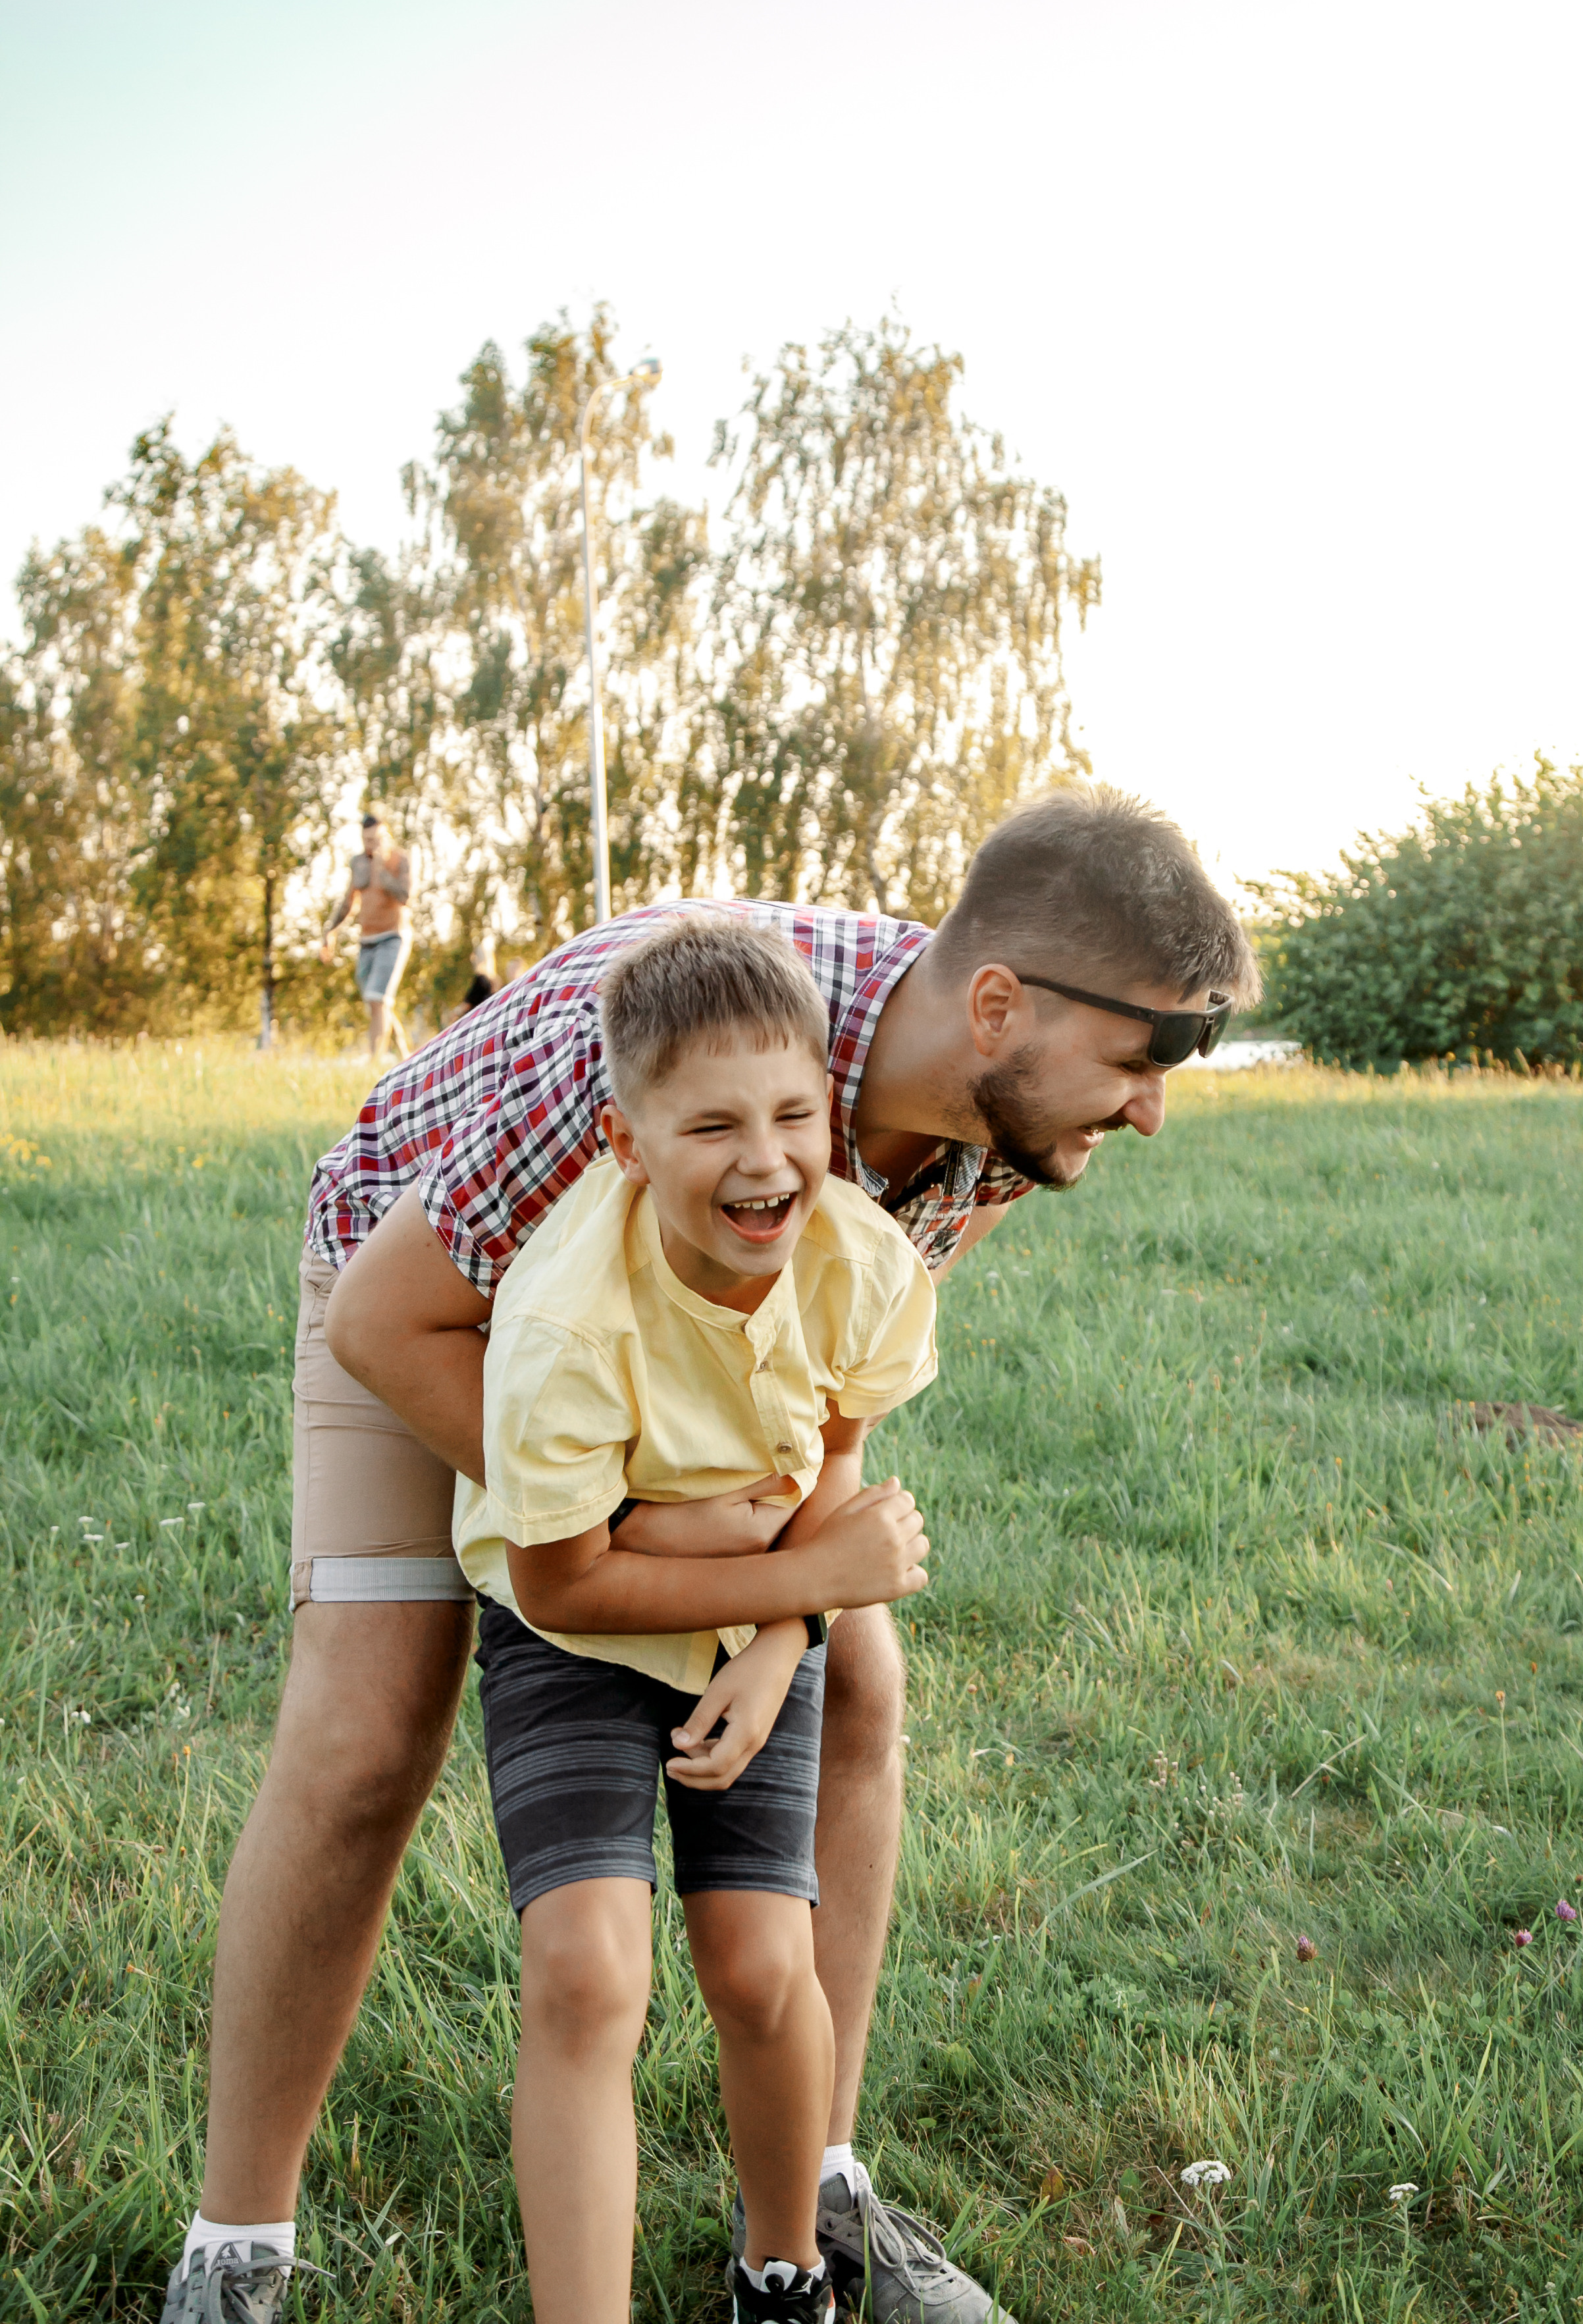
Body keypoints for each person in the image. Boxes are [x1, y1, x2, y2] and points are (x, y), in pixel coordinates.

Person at [161, 786, 1260, 2324]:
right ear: (998, 1006)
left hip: (688, 1369)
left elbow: (823, 1406)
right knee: (368, 1724)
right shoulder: (664, 1035)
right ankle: (236, 2249)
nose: (1149, 1108)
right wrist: (625, 1528)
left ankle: (811, 2196)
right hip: (435, 1297)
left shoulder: (1003, 1122)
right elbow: (388, 1323)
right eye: (1145, 1058)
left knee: (855, 1677)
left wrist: (775, 1619)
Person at [463, 916, 939, 2322]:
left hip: (755, 1614)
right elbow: (564, 1584)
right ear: (625, 1141)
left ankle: (783, 2272)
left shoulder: (863, 1263)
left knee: (761, 1960)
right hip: (572, 1626)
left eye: (793, 1115)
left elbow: (834, 1461)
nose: (764, 1159)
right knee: (587, 1971)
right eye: (712, 1125)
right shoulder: (562, 1326)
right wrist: (801, 1582)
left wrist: (786, 1634)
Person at [319, 808, 413, 1059]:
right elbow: (348, 901)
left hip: (393, 937)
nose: (370, 845)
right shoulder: (359, 862)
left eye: (375, 840)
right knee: (378, 1002)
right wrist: (330, 931)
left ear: (386, 837)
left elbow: (405, 896)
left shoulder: (400, 860)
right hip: (367, 940)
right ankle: (405, 1055)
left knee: (377, 998)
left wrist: (382, 872)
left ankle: (374, 1059)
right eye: (366, 840)